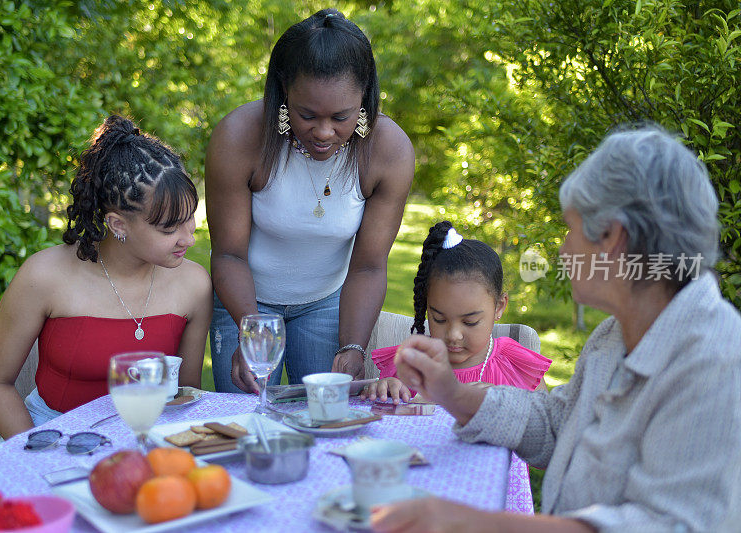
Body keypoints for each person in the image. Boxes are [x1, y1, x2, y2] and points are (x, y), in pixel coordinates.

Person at [369, 126, 741, 532]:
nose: (564, 250)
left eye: (571, 228)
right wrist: (451, 393)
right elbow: (554, 424)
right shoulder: (615, 336)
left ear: (614, 237)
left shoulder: (716, 362)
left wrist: (475, 524)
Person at [205, 8, 414, 393]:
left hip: (327, 303)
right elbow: (228, 254)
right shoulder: (239, 137)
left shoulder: (388, 151)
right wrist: (251, 333)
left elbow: (368, 266)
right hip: (245, 302)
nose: (323, 132)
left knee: (325, 422)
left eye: (341, 116)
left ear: (365, 95)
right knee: (243, 426)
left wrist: (353, 345)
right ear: (284, 90)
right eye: (306, 115)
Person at [0, 115, 212, 439]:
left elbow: (185, 395)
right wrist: (35, 456)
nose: (189, 239)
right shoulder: (43, 276)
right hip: (54, 438)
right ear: (118, 225)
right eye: (169, 228)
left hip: (148, 436)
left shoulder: (194, 284)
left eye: (189, 221)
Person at [361, 220, 550, 404]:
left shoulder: (515, 366)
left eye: (470, 322)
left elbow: (545, 423)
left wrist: (505, 402)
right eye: (439, 319)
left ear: (499, 307)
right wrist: (384, 389)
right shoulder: (411, 365)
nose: (453, 335)